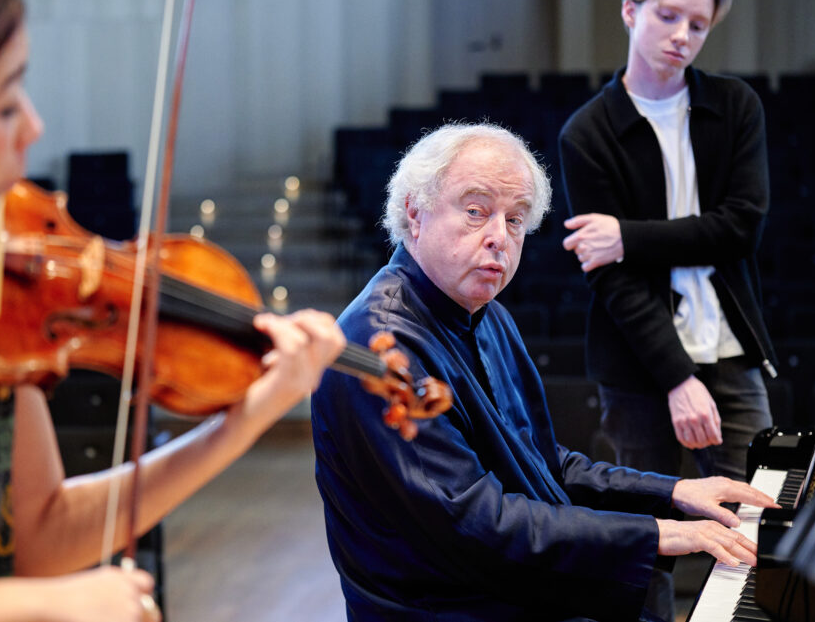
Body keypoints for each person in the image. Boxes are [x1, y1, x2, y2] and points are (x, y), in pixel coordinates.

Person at [0, 0, 345, 621]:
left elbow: (41, 531)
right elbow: (37, 586)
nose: (34, 128)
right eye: (5, 102)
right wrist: (36, 608)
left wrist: (239, 424)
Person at [311, 121, 777, 622]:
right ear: (414, 212)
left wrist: (672, 493)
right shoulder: (381, 347)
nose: (499, 239)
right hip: (450, 607)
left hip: (514, 586)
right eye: (475, 212)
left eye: (515, 220)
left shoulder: (487, 316)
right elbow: (473, 522)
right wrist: (657, 533)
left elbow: (540, 463)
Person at [557, 0, 778, 617]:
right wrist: (679, 378)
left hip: (731, 348)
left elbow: (740, 228)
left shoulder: (734, 107)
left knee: (756, 524)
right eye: (667, 16)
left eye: (698, 25)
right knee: (647, 535)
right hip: (638, 362)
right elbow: (616, 284)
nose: (682, 35)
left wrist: (628, 235)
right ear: (631, 11)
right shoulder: (587, 134)